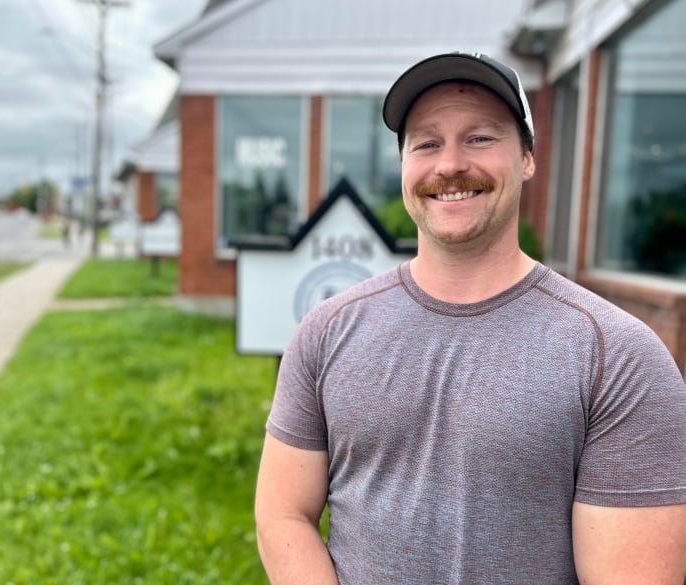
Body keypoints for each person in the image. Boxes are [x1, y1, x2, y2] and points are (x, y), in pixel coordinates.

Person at [254, 52, 686, 584]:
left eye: (480, 138)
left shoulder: (617, 356)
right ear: (405, 165)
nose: (450, 164)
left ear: (527, 158)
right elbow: (284, 514)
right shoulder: (326, 332)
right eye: (427, 143)